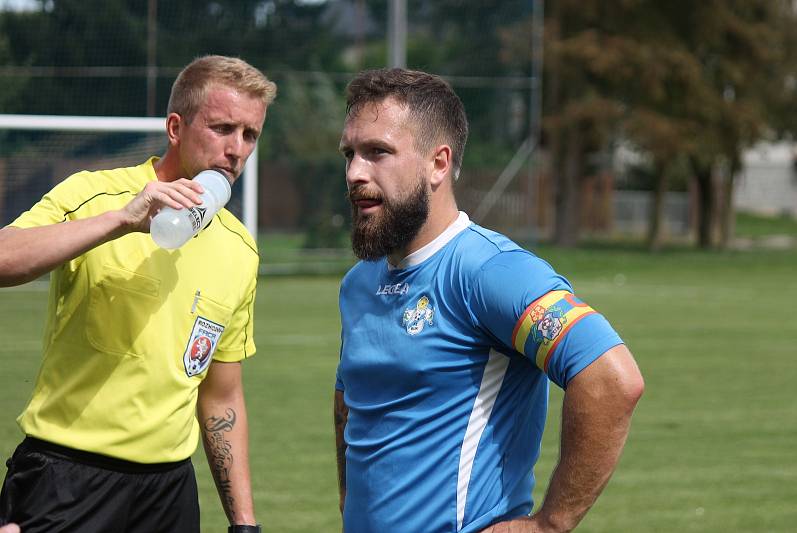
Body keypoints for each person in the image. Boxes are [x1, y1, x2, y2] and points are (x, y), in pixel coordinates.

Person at [333, 68, 645, 533]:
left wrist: (549, 524)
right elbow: (348, 403)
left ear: (438, 163)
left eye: (378, 152)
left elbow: (611, 379)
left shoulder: (490, 273)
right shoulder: (359, 283)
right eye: (350, 153)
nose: (356, 172)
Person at [0, 55, 275, 533]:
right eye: (222, 128)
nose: (236, 150)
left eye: (249, 135)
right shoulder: (96, 194)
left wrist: (244, 523)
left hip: (169, 494)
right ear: (176, 127)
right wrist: (122, 221)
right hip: (66, 481)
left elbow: (221, 395)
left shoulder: (240, 249)